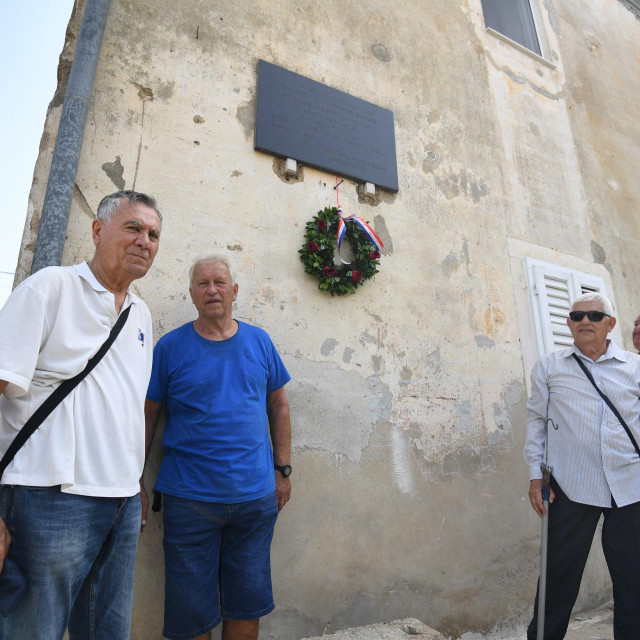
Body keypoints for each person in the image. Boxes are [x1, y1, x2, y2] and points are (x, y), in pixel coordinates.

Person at [0, 190, 162, 640]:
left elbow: (123, 405)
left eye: (153, 234)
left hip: (122, 503)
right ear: (97, 230)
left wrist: (135, 485)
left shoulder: (140, 314)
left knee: (106, 632)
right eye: (132, 228)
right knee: (33, 631)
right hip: (47, 497)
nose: (144, 241)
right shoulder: (49, 288)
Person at [144, 254, 292, 640]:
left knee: (247, 602)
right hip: (189, 501)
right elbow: (148, 417)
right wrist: (134, 480)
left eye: (220, 282)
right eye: (202, 283)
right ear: (191, 293)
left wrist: (283, 470)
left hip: (255, 501)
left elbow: (278, 405)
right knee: (190, 613)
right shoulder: (170, 348)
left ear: (235, 290)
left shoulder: (259, 341)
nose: (212, 290)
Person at [524, 292, 640, 639]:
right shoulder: (550, 366)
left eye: (593, 315)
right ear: (569, 324)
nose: (584, 321)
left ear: (610, 324)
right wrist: (534, 475)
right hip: (571, 485)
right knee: (558, 577)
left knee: (633, 578)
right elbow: (536, 421)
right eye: (577, 316)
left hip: (630, 485)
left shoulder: (635, 367)